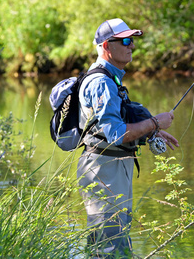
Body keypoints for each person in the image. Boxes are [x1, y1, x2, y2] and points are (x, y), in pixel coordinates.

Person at [76, 18, 179, 258]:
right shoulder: (101, 82)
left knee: (116, 240)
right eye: (124, 40)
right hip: (103, 169)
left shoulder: (112, 78)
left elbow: (112, 126)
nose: (131, 45)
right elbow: (115, 135)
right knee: (109, 244)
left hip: (112, 166)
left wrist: (150, 133)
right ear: (106, 46)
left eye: (131, 40)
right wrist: (155, 122)